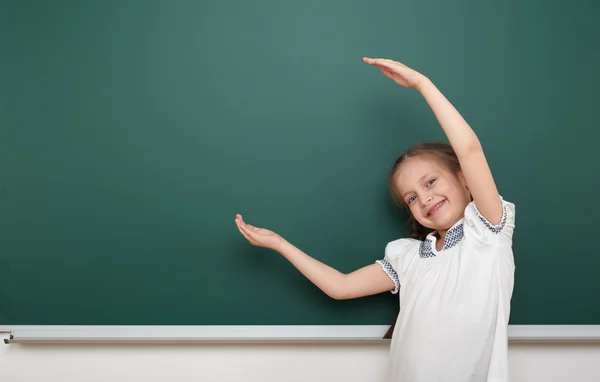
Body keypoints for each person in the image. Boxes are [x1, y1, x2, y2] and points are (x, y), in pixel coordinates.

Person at [234, 57, 516, 382]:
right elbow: (340, 287)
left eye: (431, 182)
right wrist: (280, 244)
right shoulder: (407, 256)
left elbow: (469, 151)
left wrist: (422, 84)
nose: (423, 198)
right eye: (411, 197)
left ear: (464, 179)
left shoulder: (487, 233)